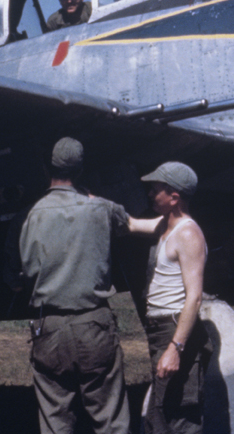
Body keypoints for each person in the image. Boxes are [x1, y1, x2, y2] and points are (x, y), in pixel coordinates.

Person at [19, 138, 158, 434]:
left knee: (55, 422)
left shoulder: (33, 216)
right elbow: (137, 226)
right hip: (94, 325)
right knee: (110, 420)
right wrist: (180, 218)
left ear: (48, 168)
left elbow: (26, 272)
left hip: (49, 327)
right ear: (81, 170)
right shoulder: (100, 209)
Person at [140, 162, 208, 434]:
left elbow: (194, 298)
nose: (150, 195)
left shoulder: (188, 234)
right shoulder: (165, 226)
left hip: (174, 328)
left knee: (179, 416)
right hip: (160, 330)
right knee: (161, 415)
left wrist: (175, 348)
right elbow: (131, 224)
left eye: (156, 190)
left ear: (174, 198)